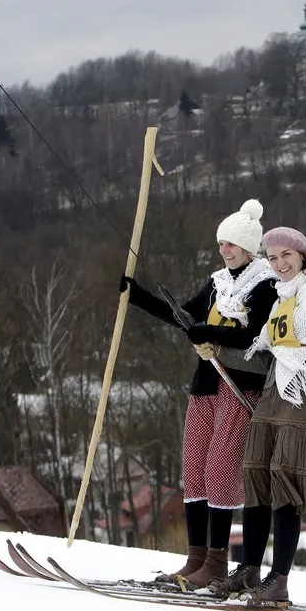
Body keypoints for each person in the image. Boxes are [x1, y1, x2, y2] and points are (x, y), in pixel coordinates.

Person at [208, 227, 306, 606]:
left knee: (285, 479)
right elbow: (267, 352)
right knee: (257, 476)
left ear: (302, 257)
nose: (280, 263)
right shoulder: (283, 298)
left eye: (287, 256)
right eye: (274, 257)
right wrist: (214, 350)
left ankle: (277, 579)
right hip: (273, 392)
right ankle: (249, 569)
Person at [119, 199, 278, 587]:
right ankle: (195, 559)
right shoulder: (216, 283)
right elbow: (185, 319)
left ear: (249, 247)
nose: (224, 250)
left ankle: (217, 562)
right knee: (194, 471)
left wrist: (211, 334)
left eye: (232, 244)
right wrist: (137, 295)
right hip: (206, 382)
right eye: (222, 243)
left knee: (220, 471)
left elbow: (256, 338)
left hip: (241, 384)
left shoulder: (265, 285)